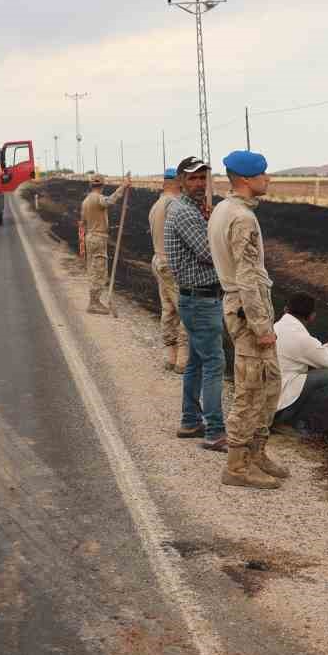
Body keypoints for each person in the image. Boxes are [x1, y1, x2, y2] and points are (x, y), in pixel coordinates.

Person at [209, 149, 285, 489]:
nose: (267, 179)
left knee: (268, 385)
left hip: (242, 304)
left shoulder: (225, 209)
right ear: (245, 180)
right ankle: (237, 466)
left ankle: (256, 453)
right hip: (246, 307)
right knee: (252, 389)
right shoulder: (241, 218)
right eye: (262, 174)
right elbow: (248, 275)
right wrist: (261, 326)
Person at [162, 156, 226, 450]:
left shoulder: (190, 209)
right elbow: (207, 251)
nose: (199, 183)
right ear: (180, 181)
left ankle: (190, 421)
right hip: (201, 299)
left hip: (195, 297)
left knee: (197, 362)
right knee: (214, 363)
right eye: (193, 178)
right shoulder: (185, 212)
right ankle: (215, 432)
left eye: (203, 178)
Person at [273, 294, 328, 435]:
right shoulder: (302, 338)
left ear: (286, 309)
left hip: (263, 400)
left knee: (314, 372)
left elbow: (316, 354)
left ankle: (283, 418)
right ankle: (286, 421)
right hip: (275, 407)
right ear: (312, 316)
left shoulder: (277, 326)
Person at [147, 168, 188, 373]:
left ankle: (170, 356)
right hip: (172, 263)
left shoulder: (156, 205)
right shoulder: (176, 204)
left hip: (158, 260)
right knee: (185, 309)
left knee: (168, 309)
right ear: (178, 181)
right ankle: (182, 358)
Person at [79, 172, 127, 314]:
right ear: (103, 185)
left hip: (90, 236)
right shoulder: (97, 198)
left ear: (91, 184)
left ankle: (94, 301)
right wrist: (122, 188)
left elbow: (82, 222)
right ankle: (94, 303)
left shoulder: (86, 200)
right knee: (99, 270)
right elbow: (110, 201)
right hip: (98, 237)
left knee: (93, 269)